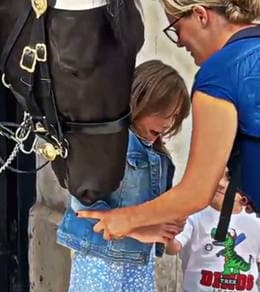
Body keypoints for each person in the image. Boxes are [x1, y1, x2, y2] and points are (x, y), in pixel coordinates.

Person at [56, 60, 190, 292]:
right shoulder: (111, 145)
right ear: (140, 100)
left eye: (176, 116)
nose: (169, 123)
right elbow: (82, 207)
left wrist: (169, 232)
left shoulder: (159, 157)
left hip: (136, 272)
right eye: (165, 112)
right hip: (101, 268)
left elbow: (158, 220)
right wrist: (141, 229)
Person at [77, 0, 260, 241]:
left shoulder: (220, 73)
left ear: (200, 15)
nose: (180, 41)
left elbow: (196, 192)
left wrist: (125, 218)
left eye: (176, 28)